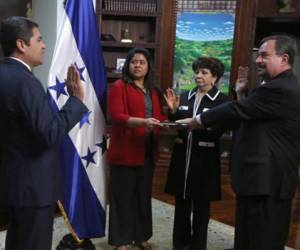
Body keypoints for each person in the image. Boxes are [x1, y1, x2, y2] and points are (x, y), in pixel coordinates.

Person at [177, 35, 300, 250]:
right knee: (250, 237)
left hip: (267, 182)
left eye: (264, 55)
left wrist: (199, 120)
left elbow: (237, 110)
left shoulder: (280, 87)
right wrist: (242, 93)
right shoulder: (277, 86)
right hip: (261, 181)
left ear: (284, 58)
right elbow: (253, 114)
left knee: (262, 240)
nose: (257, 60)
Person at [0, 16, 88, 250]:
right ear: (21, 44)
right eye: (38, 39)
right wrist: (76, 102)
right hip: (34, 187)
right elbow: (49, 133)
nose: (44, 45)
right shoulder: (26, 82)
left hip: (13, 182)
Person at [164, 57, 230, 250]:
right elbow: (177, 123)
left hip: (205, 162)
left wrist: (196, 123)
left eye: (204, 73)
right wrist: (174, 111)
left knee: (201, 209)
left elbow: (219, 130)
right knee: (181, 207)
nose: (198, 76)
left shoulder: (222, 100)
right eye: (197, 72)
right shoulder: (185, 96)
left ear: (214, 77)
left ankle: (198, 246)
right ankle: (180, 245)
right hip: (182, 159)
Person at [107, 48, 166, 250]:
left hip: (147, 151)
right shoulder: (119, 86)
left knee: (143, 197)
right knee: (122, 198)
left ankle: (141, 236)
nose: (138, 65)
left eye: (142, 62)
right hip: (124, 151)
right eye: (134, 62)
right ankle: (121, 240)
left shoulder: (153, 90)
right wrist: (143, 122)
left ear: (148, 66)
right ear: (128, 65)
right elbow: (117, 116)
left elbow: (158, 118)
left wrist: (171, 114)